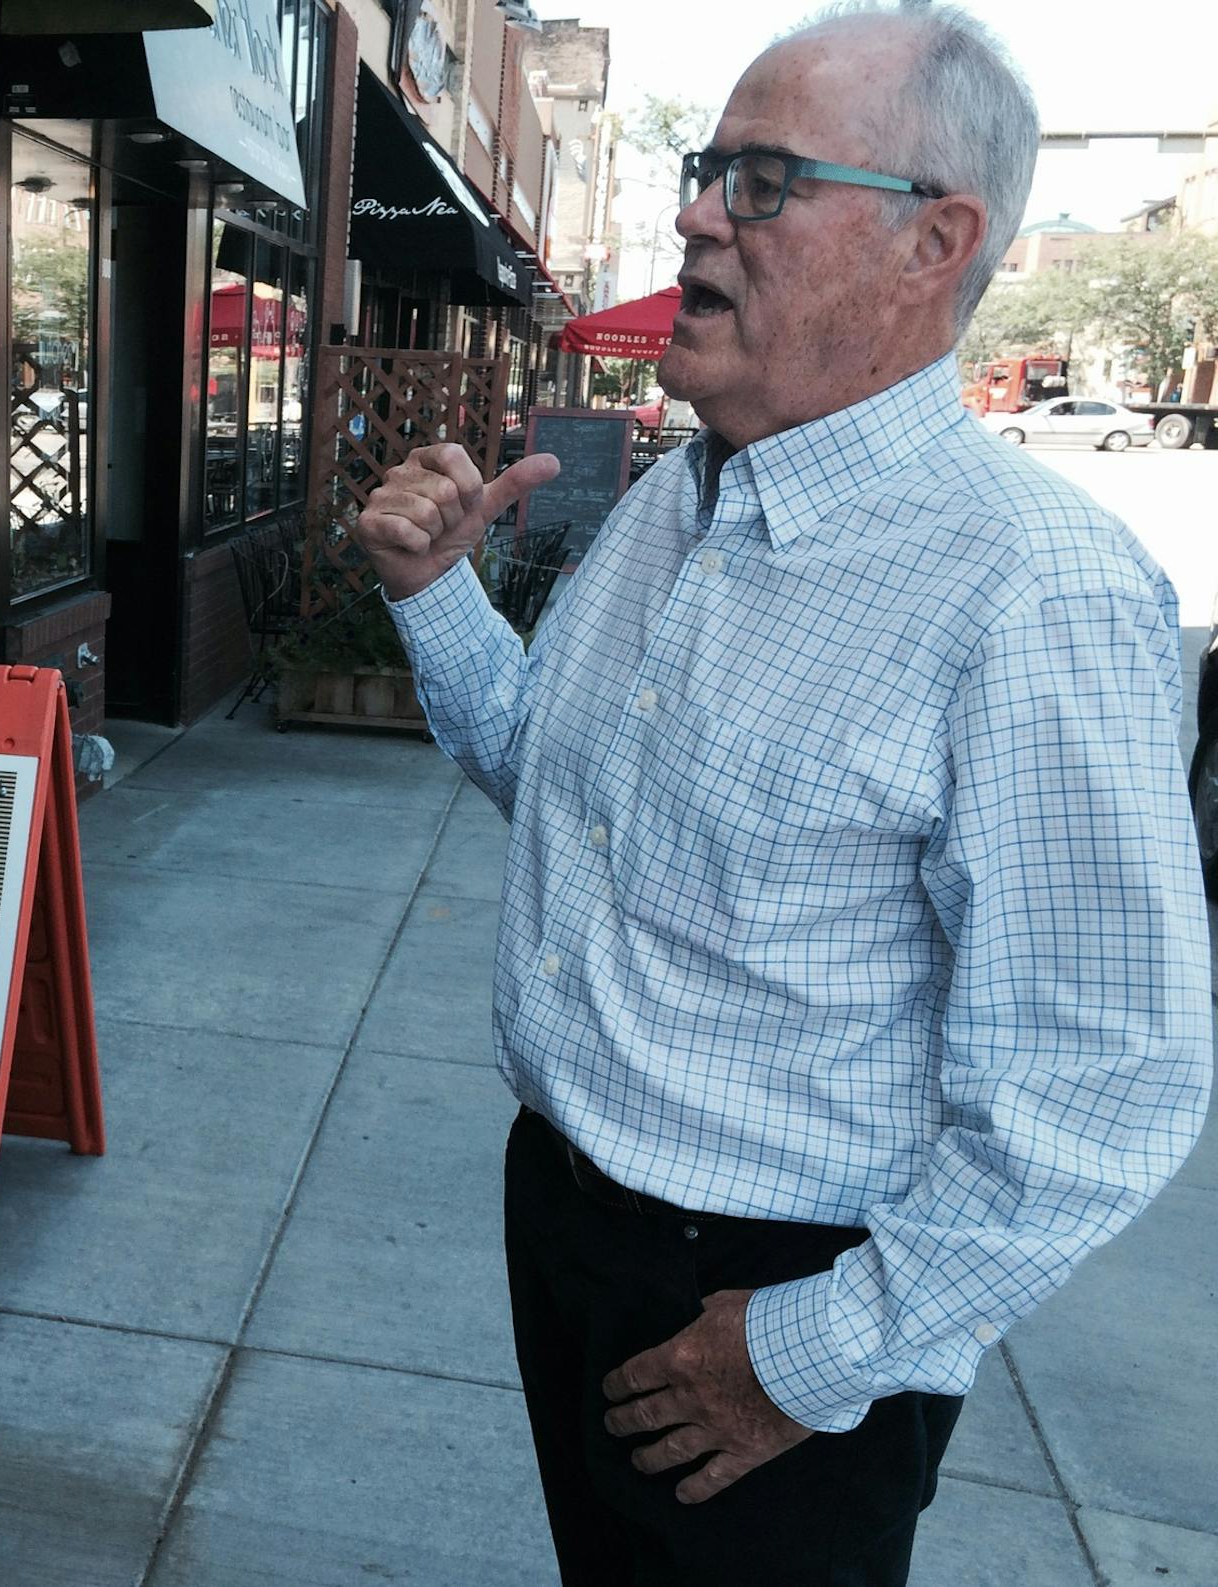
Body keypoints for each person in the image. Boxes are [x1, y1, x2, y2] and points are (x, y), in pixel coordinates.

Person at [350, 5, 1210, 1584]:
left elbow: (1109, 1073)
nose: (692, 214)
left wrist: (826, 1350)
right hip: (573, 1212)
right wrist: (434, 595)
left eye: (759, 181)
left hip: (769, 1302)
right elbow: (564, 791)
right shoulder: (683, 497)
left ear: (929, 244)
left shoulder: (1036, 589)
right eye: (704, 170)